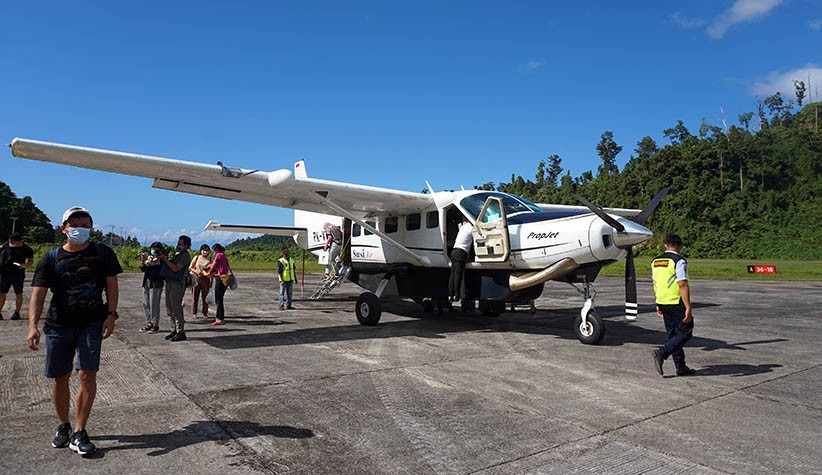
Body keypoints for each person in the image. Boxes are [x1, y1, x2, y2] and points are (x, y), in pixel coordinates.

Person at [26, 206, 122, 456]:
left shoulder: (103, 253)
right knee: (60, 377)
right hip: (58, 325)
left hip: (92, 323)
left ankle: (79, 432)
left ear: (91, 228)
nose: (80, 228)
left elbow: (112, 285)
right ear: (64, 228)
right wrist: (32, 326)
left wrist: (111, 315)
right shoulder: (50, 257)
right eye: (74, 223)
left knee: (87, 375)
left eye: (85, 224)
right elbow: (38, 294)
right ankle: (63, 426)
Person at [651, 234, 696, 377]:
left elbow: (655, 282)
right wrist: (688, 307)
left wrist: (657, 302)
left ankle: (680, 367)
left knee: (673, 335)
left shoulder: (655, 261)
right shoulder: (679, 261)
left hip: (663, 301)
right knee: (685, 332)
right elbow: (682, 283)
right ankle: (662, 353)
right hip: (676, 302)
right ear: (680, 246)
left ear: (665, 245)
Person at [157, 235, 191, 342]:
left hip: (177, 284)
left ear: (186, 246)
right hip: (170, 282)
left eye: (181, 244)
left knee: (176, 308)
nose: (178, 246)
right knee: (169, 308)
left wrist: (165, 259)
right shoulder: (178, 255)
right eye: (178, 243)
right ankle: (173, 330)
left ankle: (180, 331)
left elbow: (175, 268)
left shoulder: (185, 256)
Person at [0, 232, 34, 320]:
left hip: (18, 273)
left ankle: (17, 312)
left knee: (18, 293)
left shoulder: (26, 249)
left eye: (12, 241)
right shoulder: (7, 245)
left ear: (17, 241)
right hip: (4, 273)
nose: (10, 243)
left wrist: (25, 265)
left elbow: (30, 261)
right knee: (2, 293)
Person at [138, 242, 165, 333]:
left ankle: (155, 324)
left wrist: (155, 262)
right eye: (152, 249)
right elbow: (143, 269)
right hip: (147, 283)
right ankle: (149, 322)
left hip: (156, 283)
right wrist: (143, 261)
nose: (153, 251)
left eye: (155, 249)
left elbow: (161, 270)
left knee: (154, 304)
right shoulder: (149, 258)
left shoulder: (162, 259)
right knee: (145, 303)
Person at [448, 217, 473, 302]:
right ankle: (457, 295)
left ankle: (450, 294)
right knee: (458, 275)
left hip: (454, 251)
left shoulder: (463, 227)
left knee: (453, 274)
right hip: (461, 253)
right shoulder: (472, 229)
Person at [206, 243, 230, 325]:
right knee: (220, 298)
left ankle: (220, 318)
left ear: (215, 250)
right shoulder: (224, 255)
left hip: (220, 278)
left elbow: (214, 265)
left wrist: (209, 272)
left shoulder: (218, 255)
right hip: (225, 277)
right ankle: (219, 318)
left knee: (218, 299)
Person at [189, 244, 212, 319]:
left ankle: (205, 313)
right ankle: (194, 312)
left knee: (205, 298)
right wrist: (196, 271)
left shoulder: (210, 259)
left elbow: (212, 270)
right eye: (203, 250)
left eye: (207, 250)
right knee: (195, 297)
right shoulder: (197, 258)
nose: (205, 252)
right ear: (201, 251)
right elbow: (190, 267)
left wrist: (211, 281)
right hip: (196, 278)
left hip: (206, 279)